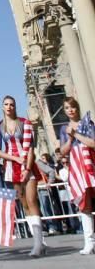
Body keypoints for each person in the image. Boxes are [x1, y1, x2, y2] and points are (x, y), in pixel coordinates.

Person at [0, 95, 44, 257]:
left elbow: (29, 148)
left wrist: (27, 167)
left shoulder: (24, 122)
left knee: (31, 199)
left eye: (12, 104)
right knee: (24, 203)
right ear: (2, 107)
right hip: (12, 165)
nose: (9, 107)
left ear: (15, 106)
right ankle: (37, 240)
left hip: (27, 164)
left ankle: (38, 243)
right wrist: (15, 159)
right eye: (6, 104)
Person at [58, 96, 95, 255]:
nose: (70, 110)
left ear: (77, 108)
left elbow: (93, 143)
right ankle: (89, 241)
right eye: (67, 108)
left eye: (72, 107)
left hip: (90, 163)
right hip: (77, 166)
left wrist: (76, 134)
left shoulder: (88, 123)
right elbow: (63, 151)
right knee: (84, 205)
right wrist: (70, 137)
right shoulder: (63, 129)